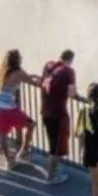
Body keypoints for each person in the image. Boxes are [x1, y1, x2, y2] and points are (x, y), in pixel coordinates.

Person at [0, 50, 36, 171]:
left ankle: (9, 161)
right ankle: (23, 150)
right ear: (17, 60)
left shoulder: (2, 70)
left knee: (2, 135)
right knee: (31, 124)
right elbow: (32, 82)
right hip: (9, 109)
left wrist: (30, 76)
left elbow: (18, 79)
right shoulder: (18, 72)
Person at [37, 50, 77, 184]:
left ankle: (54, 170)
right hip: (58, 114)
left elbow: (42, 82)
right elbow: (72, 93)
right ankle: (51, 176)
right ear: (70, 60)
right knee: (57, 148)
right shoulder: (68, 71)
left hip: (45, 111)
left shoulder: (48, 65)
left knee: (52, 143)